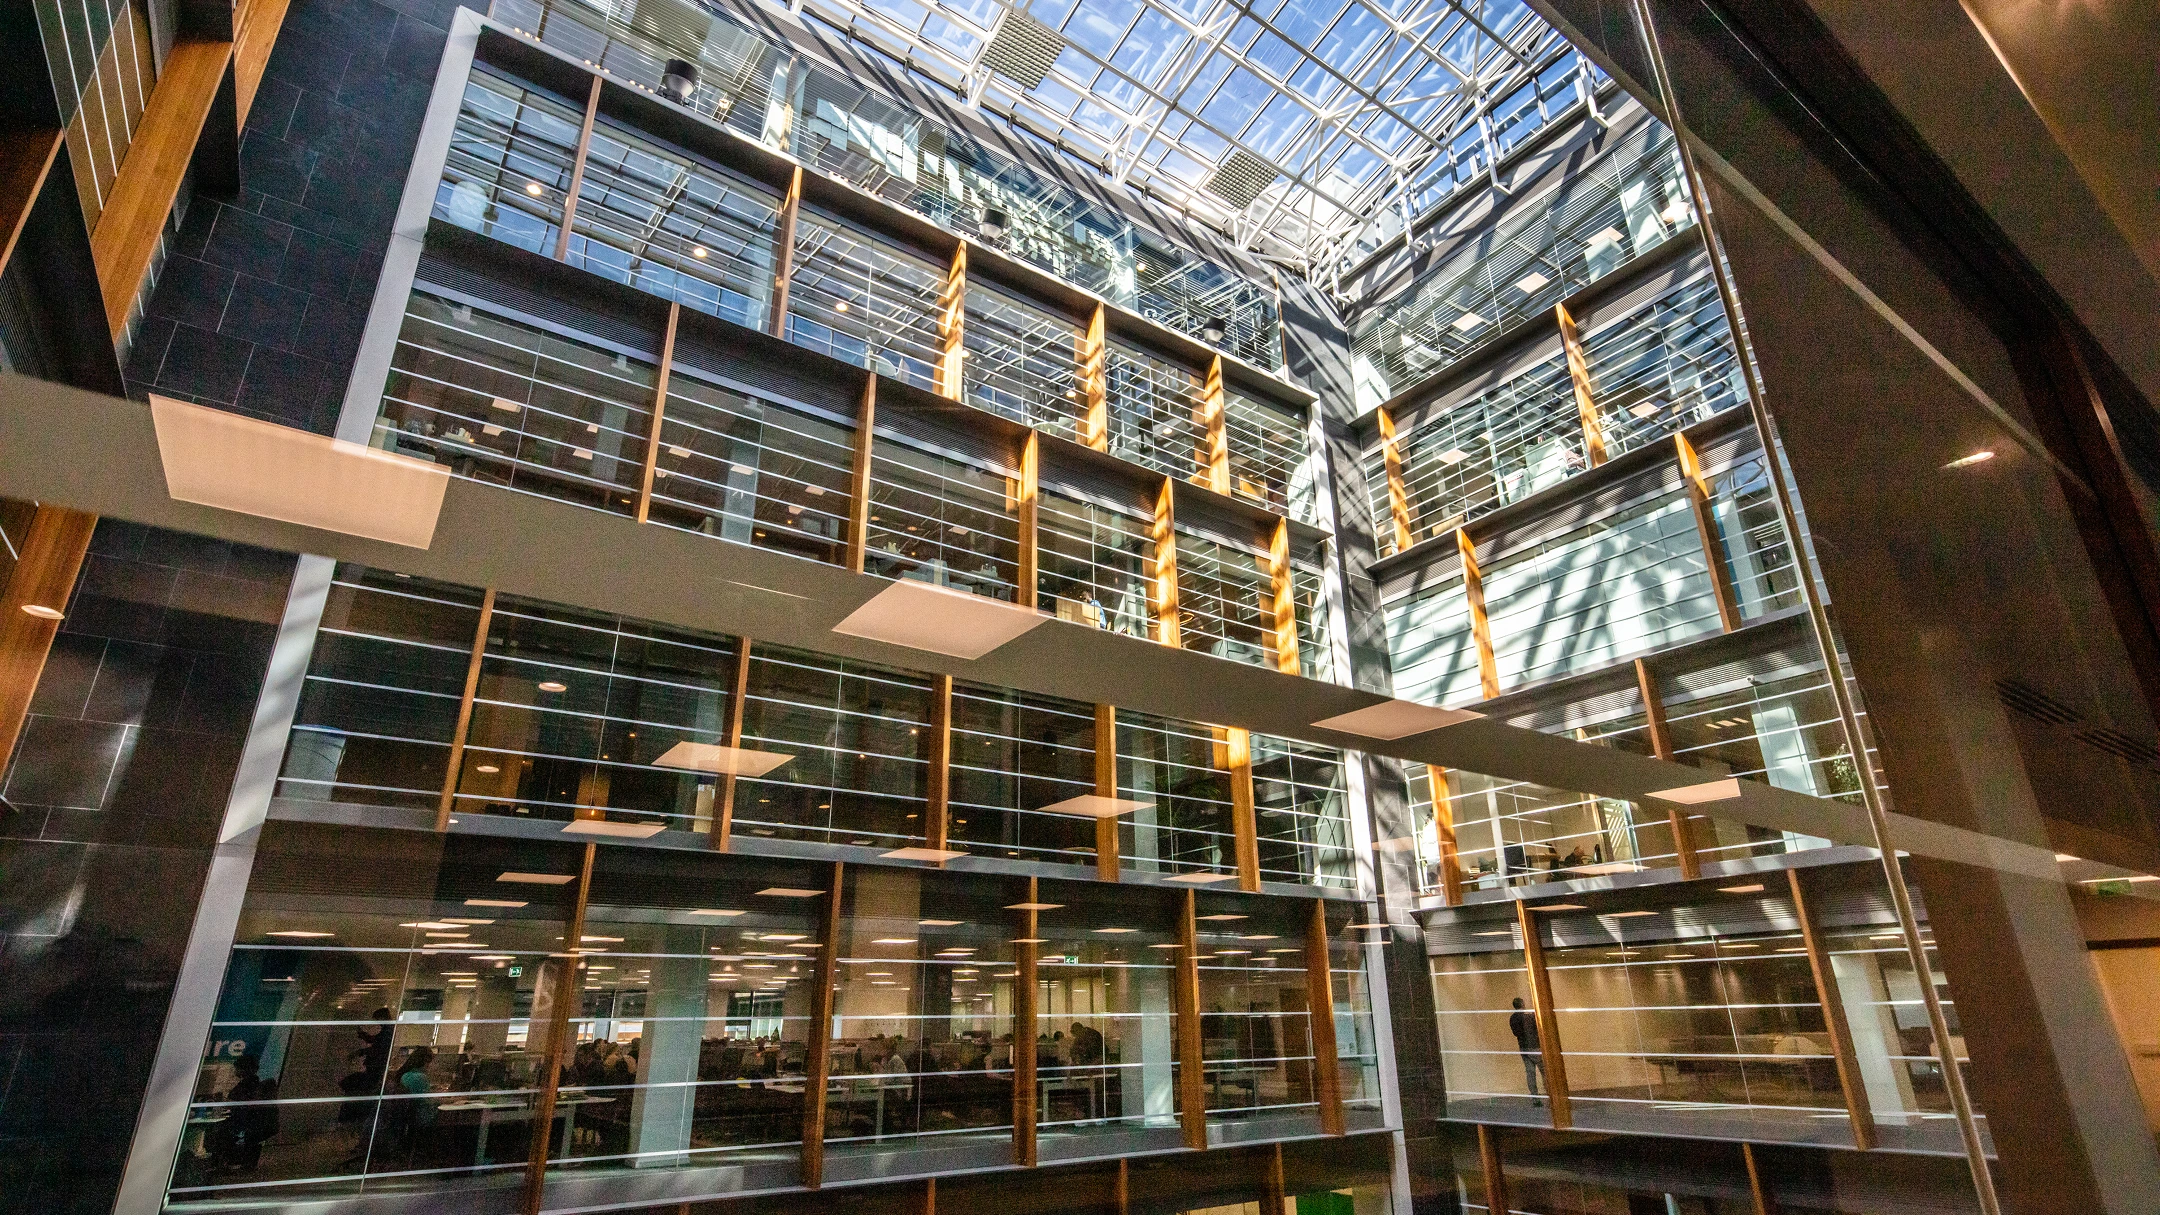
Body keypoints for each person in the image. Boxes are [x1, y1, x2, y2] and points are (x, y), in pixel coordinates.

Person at [1509, 998, 1544, 1102]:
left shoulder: (1512, 1018)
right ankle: (1550, 1094)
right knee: (1544, 1071)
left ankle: (1535, 1098)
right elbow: (1537, 1028)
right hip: (1534, 1047)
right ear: (1522, 1004)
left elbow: (1516, 1033)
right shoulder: (1528, 1015)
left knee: (1530, 1073)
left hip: (1523, 1048)